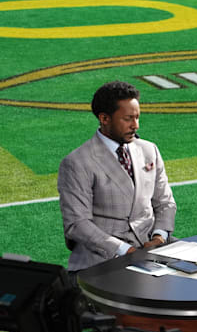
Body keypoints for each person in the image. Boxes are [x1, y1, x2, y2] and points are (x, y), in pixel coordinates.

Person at [58, 81, 176, 271]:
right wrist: (126, 251)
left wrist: (159, 236)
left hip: (152, 248)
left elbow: (165, 202)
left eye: (137, 117)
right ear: (104, 118)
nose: (135, 125)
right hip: (104, 258)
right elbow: (77, 224)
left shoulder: (149, 150)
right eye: (128, 119)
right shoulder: (77, 162)